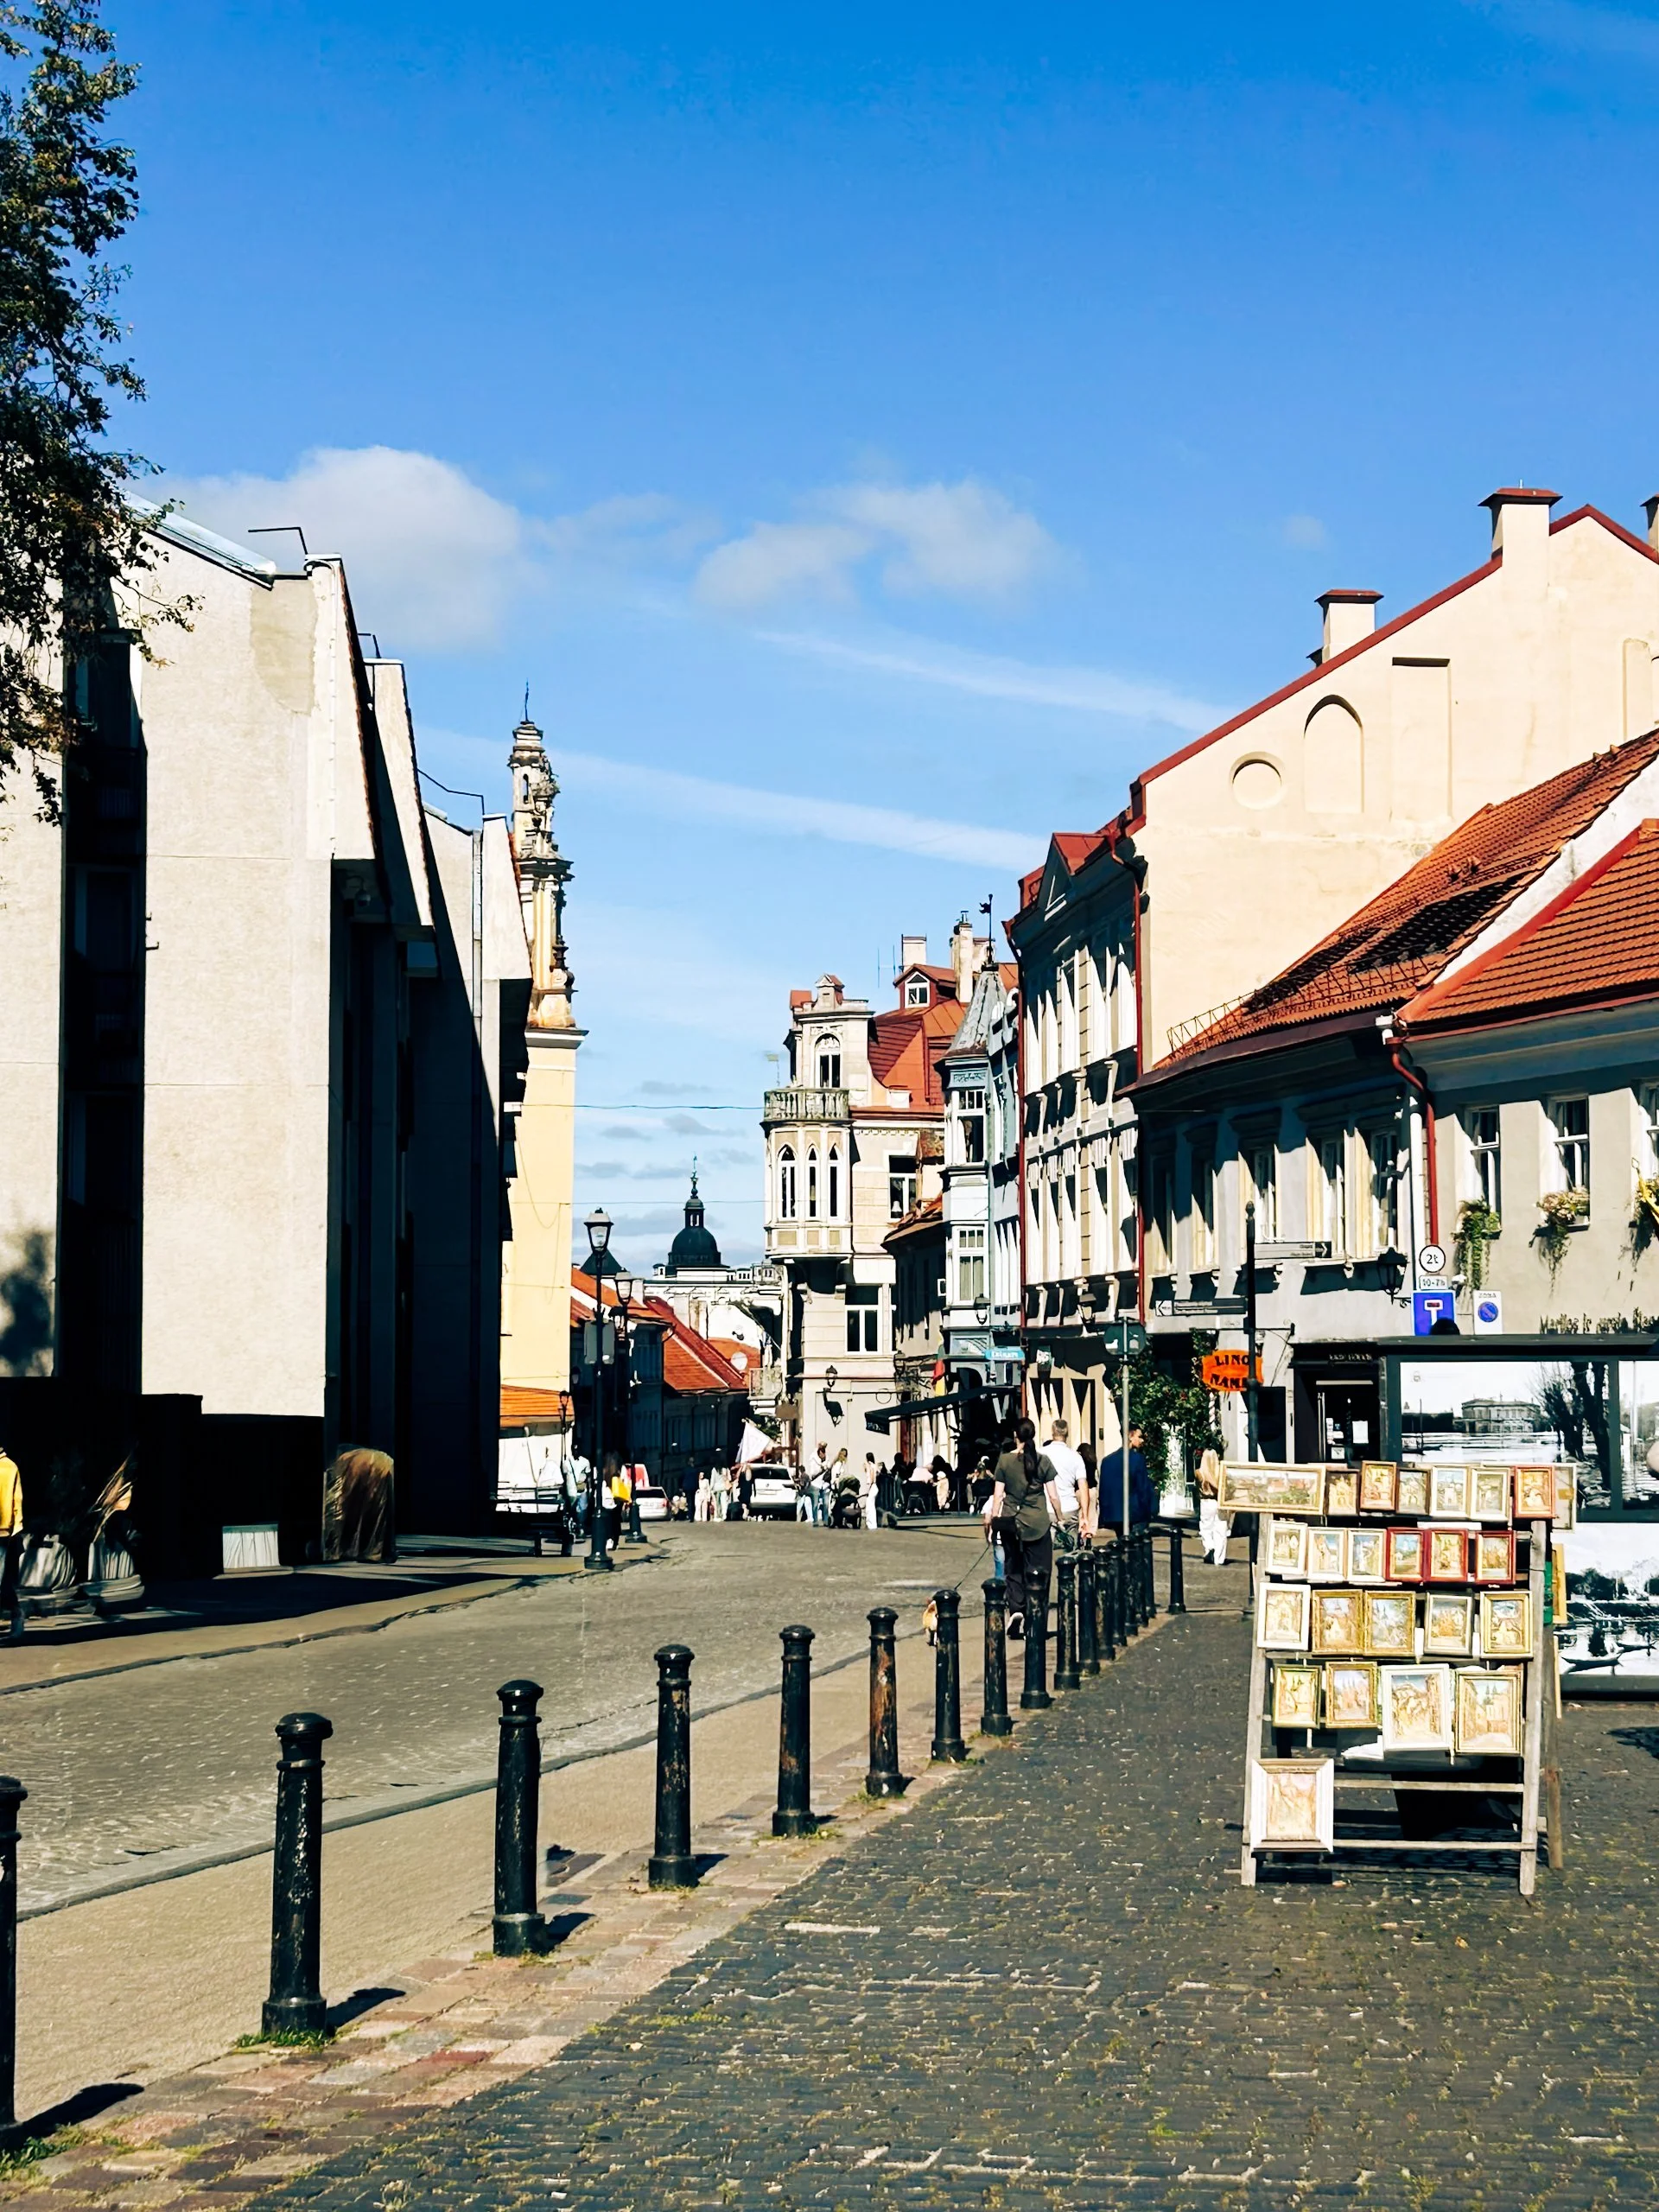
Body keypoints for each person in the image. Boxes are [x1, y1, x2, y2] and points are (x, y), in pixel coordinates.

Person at [986, 1418, 1052, 1643]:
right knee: (1040, 1571)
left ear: (1016, 1435)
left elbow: (998, 1495)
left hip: (1010, 1523)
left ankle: (1016, 1608)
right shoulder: (1043, 1461)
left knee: (1013, 1567)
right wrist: (1060, 1517)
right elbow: (1053, 1495)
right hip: (1038, 1523)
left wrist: (993, 1521)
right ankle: (1037, 1620)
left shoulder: (1005, 1461)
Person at [1097, 1424, 1156, 1535]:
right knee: (1137, 1543)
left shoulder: (1107, 1461)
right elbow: (1142, 1488)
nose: (1142, 1440)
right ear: (1130, 1436)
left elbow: (1103, 1491)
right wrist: (1150, 1511)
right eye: (1139, 1437)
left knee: (1122, 1542)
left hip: (1115, 1515)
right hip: (1135, 1515)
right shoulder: (1138, 1459)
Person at [1041, 1420, 1087, 1548]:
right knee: (1071, 1550)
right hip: (1069, 1508)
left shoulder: (1041, 1454)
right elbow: (1083, 1487)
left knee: (1045, 1552)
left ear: (1052, 1432)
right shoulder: (1075, 1457)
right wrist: (1085, 1515)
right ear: (1067, 1433)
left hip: (1045, 1508)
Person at [0, 1443, 22, 1642]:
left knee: (1, 1580)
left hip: (3, 1531)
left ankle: (16, 1614)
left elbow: (17, 1499)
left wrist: (17, 1527)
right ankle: (15, 1613)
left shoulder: (9, 1466)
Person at [1196, 1446, 1231, 1566]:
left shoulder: (1199, 1473)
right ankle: (1219, 1558)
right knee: (1221, 1529)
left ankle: (1209, 1548)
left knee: (1206, 1527)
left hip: (1206, 1502)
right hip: (1219, 1501)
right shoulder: (1221, 1472)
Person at [1077, 1439, 1098, 1538]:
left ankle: (1081, 1531)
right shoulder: (1093, 1461)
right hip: (1092, 1489)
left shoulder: (1080, 1461)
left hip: (1080, 1490)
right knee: (1092, 1513)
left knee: (1080, 1512)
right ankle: (1090, 1533)